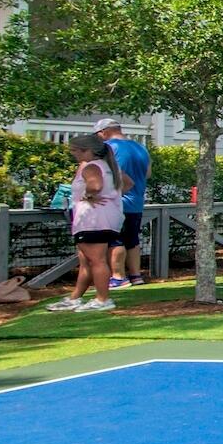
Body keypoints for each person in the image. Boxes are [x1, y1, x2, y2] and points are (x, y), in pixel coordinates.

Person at [47, 133, 127, 313]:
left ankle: (103, 299)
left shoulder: (91, 166)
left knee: (97, 261)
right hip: (107, 219)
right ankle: (76, 297)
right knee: (87, 261)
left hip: (92, 220)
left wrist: (89, 195)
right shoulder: (109, 166)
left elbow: (95, 185)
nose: (73, 154)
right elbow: (127, 183)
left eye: (75, 151)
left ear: (87, 150)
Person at [95, 117, 151, 289]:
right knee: (132, 240)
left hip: (118, 202)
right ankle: (136, 276)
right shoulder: (141, 147)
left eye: (97, 134)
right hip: (136, 202)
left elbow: (109, 174)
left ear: (104, 132)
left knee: (115, 240)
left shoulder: (109, 148)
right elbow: (148, 174)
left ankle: (118, 277)